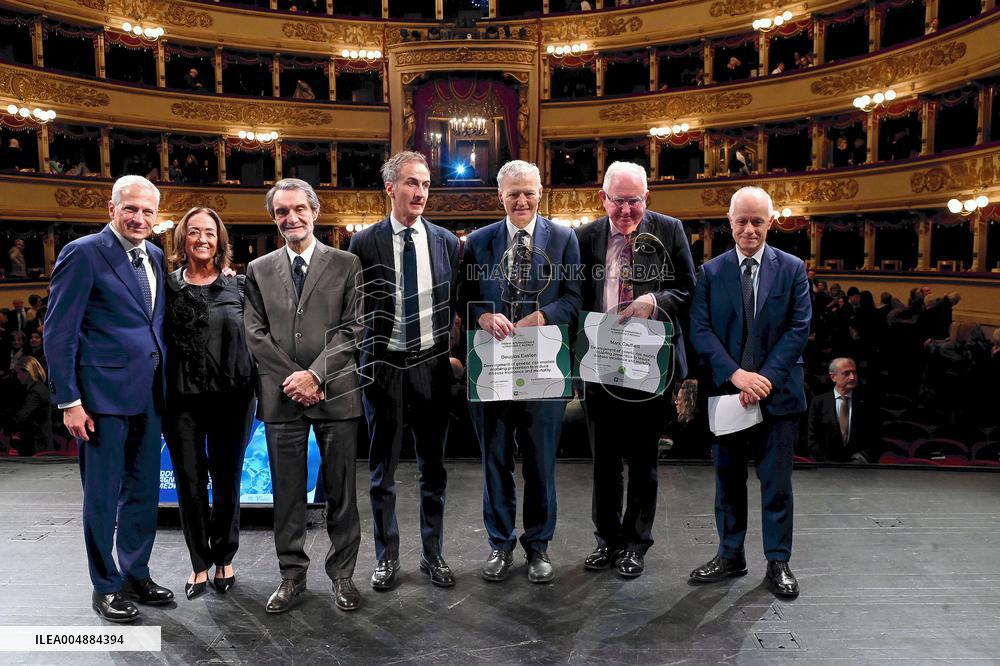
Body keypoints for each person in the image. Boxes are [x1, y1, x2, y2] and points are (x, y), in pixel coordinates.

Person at [44, 175, 173, 622]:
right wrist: (69, 401)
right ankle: (105, 585)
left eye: (148, 212)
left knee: (142, 493)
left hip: (150, 398)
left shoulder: (155, 255)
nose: (139, 218)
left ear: (157, 218)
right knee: (102, 497)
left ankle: (135, 573)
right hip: (100, 400)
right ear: (112, 209)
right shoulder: (83, 252)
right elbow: (60, 331)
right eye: (131, 209)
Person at [243, 178, 364, 614]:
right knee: (287, 495)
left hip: (336, 395)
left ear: (315, 211)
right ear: (274, 219)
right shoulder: (257, 270)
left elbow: (354, 329)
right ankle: (291, 577)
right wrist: (295, 379)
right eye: (281, 212)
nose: (290, 218)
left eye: (298, 209)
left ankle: (343, 576)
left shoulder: (347, 263)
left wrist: (315, 375)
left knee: (341, 494)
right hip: (281, 397)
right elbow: (254, 334)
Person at [458, 160, 582, 584]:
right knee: (494, 461)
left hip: (544, 363)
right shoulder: (477, 242)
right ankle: (499, 545)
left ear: (541, 191)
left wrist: (539, 318)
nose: (521, 200)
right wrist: (480, 318)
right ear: (500, 197)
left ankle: (539, 547)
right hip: (491, 366)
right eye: (513, 193)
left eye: (528, 192)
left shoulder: (565, 239)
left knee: (540, 463)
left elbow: (573, 300)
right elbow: (463, 300)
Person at [687, 186, 811, 598]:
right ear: (729, 221)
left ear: (771, 222)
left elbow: (798, 331)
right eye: (741, 221)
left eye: (757, 221)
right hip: (728, 394)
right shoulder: (711, 271)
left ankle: (778, 561)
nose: (749, 229)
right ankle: (730, 555)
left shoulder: (792, 268)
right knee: (728, 481)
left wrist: (763, 380)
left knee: (776, 484)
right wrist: (738, 376)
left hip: (778, 397)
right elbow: (700, 331)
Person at [575, 161, 695, 577]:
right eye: (618, 201)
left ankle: (636, 544)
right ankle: (607, 539)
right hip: (600, 362)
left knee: (644, 459)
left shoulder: (670, 229)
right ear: (602, 197)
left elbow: (687, 288)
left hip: (650, 363)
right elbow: (576, 298)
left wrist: (654, 301)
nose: (626, 210)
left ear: (647, 197)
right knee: (603, 461)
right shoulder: (585, 236)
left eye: (635, 202)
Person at [348, 152, 460, 590]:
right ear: (391, 188)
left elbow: (458, 305)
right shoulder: (363, 242)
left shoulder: (448, 242)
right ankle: (387, 557)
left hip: (431, 368)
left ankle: (433, 556)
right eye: (412, 183)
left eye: (426, 184)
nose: (420, 192)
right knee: (382, 473)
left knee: (434, 470)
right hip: (385, 367)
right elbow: (354, 307)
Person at [163, 207, 255, 600]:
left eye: (210, 233)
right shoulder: (166, 287)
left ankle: (225, 558)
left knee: (228, 480)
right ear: (182, 239)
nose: (203, 239)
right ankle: (199, 563)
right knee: (189, 481)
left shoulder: (241, 286)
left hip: (233, 397)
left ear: (220, 242)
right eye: (195, 232)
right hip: (180, 399)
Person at [807, 357, 879, 463]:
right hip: (826, 469)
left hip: (859, 469)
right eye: (846, 373)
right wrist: (828, 463)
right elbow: (812, 439)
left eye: (854, 372)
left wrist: (860, 459)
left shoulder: (867, 403)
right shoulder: (819, 403)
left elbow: (875, 438)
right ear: (833, 377)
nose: (852, 377)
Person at [10, 356, 52, 457]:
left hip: (36, 443)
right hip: (38, 439)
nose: (18, 376)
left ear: (27, 372)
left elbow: (22, 415)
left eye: (19, 372)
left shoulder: (35, 392)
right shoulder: (39, 388)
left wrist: (7, 427)